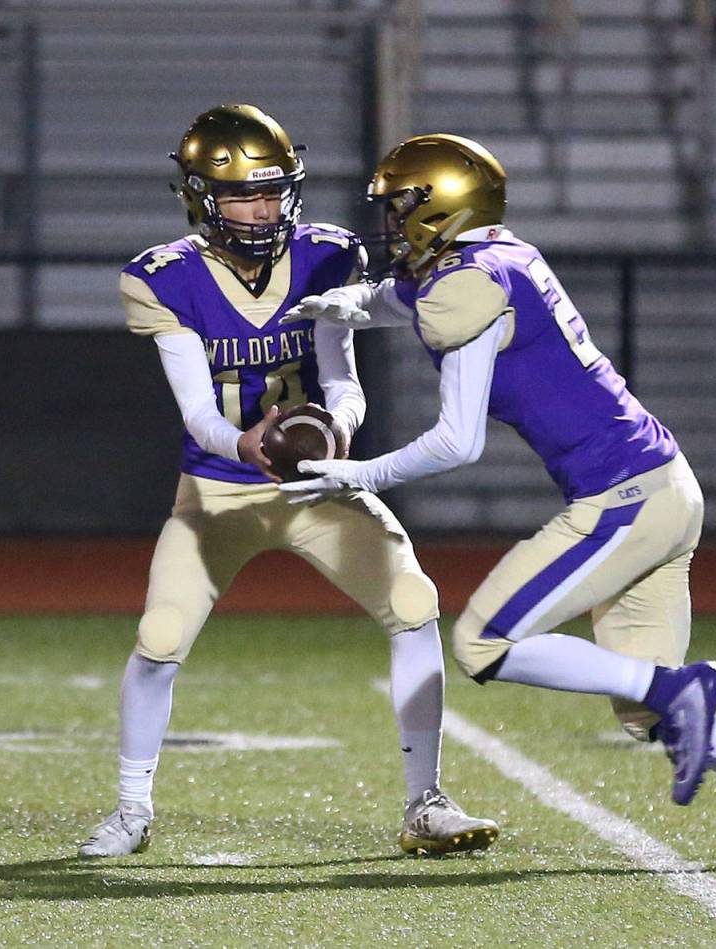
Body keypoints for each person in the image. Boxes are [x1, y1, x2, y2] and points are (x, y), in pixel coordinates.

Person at [281, 133, 716, 868]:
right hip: (665, 484)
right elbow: (399, 297)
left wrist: (361, 474)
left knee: (483, 642)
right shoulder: (501, 257)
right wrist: (352, 303)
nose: (391, 221)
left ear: (442, 206)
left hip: (625, 494)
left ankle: (683, 688)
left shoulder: (466, 286)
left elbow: (457, 441)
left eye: (401, 206)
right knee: (649, 707)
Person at [77, 108, 498, 859]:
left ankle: (425, 801)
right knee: (161, 635)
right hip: (218, 491)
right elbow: (199, 413)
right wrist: (245, 442)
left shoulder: (327, 255)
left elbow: (343, 378)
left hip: (316, 485)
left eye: (274, 192)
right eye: (244, 195)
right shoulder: (163, 278)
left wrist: (339, 426)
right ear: (201, 198)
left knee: (413, 600)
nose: (263, 209)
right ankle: (132, 809)